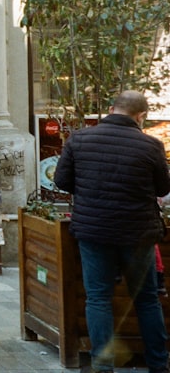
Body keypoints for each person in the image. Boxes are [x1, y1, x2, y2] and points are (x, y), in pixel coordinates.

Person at [54, 90, 170, 373]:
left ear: (110, 109)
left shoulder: (79, 139)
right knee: (146, 298)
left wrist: (90, 193)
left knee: (98, 297)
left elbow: (61, 181)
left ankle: (102, 365)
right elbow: (163, 189)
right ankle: (158, 363)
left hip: (94, 230)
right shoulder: (151, 146)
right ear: (141, 116)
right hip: (137, 232)